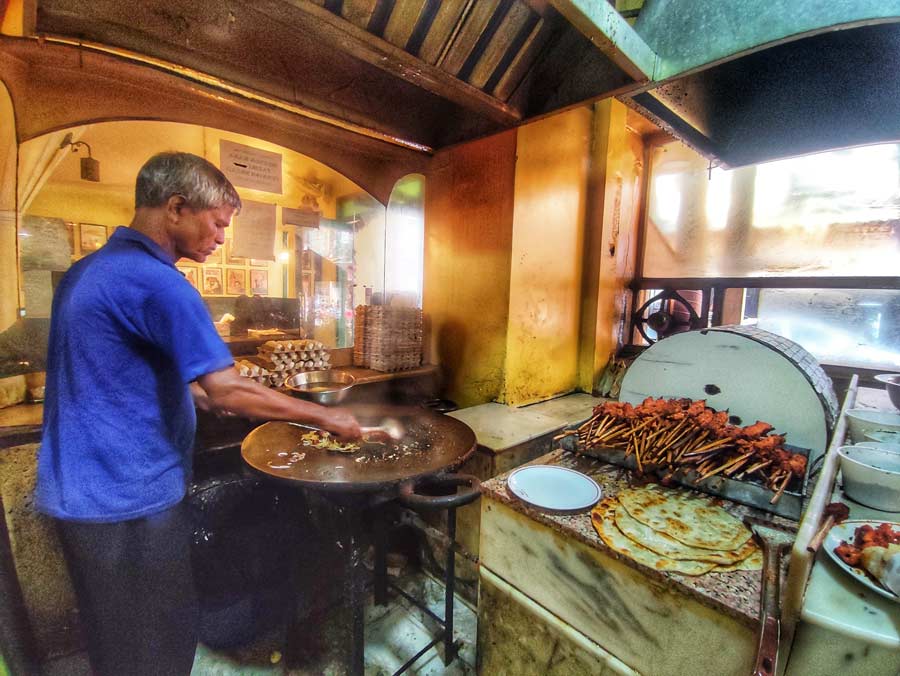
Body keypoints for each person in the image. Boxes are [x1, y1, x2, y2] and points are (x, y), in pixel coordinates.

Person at [34, 152, 361, 676]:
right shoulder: (159, 282)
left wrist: (196, 393)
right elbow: (227, 390)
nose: (222, 238)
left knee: (113, 638)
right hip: (128, 496)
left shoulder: (88, 271)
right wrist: (327, 419)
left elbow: (121, 373)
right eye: (218, 223)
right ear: (176, 208)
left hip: (77, 490)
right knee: (161, 641)